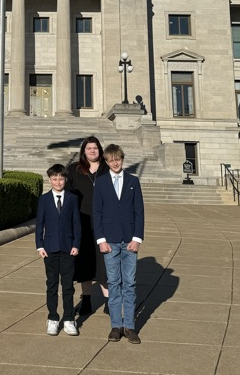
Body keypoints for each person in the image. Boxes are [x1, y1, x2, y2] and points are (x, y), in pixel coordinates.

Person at [93, 144, 145, 344]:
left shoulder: (133, 181)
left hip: (129, 240)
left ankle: (129, 326)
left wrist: (137, 239)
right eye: (111, 160)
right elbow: (97, 213)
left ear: (122, 159)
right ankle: (116, 326)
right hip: (110, 241)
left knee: (129, 284)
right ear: (106, 162)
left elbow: (139, 212)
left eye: (118, 159)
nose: (115, 163)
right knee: (114, 283)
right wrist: (101, 240)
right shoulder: (102, 182)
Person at [35, 163, 82, 336]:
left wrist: (76, 244)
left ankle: (69, 319)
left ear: (66, 179)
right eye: (54, 179)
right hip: (50, 248)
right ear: (49, 180)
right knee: (52, 284)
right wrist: (39, 245)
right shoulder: (44, 200)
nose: (58, 182)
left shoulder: (72, 198)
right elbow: (40, 224)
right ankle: (53, 318)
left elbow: (77, 224)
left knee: (68, 286)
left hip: (69, 248)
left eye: (61, 179)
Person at [66, 135, 109, 315]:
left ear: (100, 150)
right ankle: (87, 300)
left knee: (105, 264)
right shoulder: (74, 170)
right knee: (84, 264)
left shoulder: (108, 170)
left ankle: (109, 302)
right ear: (83, 151)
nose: (93, 151)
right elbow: (68, 196)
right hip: (82, 222)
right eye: (89, 148)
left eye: (96, 148)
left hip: (104, 223)